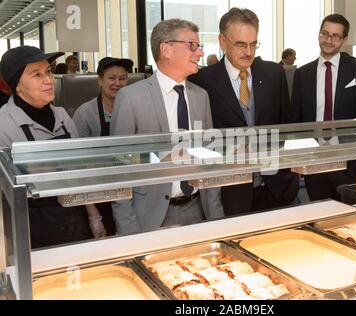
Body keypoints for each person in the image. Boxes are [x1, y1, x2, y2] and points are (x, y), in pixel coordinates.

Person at [110, 19, 224, 235]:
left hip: (199, 211)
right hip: (149, 219)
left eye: (199, 47)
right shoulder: (131, 98)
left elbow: (211, 160)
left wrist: (215, 216)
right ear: (166, 49)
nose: (199, 53)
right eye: (192, 45)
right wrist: (128, 229)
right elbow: (119, 170)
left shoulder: (201, 97)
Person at [190, 8, 299, 216]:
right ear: (222, 42)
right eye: (240, 44)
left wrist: (288, 176)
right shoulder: (202, 81)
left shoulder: (274, 74)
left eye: (253, 44)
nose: (248, 52)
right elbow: (200, 141)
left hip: (275, 187)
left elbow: (286, 126)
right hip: (229, 192)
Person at [0, 46, 105, 248]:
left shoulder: (62, 116)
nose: (48, 80)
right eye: (36, 75)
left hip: (75, 217)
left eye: (48, 71)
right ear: (17, 86)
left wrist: (94, 217)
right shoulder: (4, 125)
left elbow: (78, 174)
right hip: (31, 228)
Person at [291, 14, 356, 201]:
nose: (329, 40)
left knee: (350, 218)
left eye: (336, 36)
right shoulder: (302, 74)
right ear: (319, 34)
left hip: (349, 163)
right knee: (318, 214)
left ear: (344, 40)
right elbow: (296, 122)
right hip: (314, 161)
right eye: (325, 34)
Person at [73, 56, 134, 235]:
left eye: (122, 78)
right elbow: (78, 168)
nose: (117, 83)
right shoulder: (85, 114)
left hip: (129, 192)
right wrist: (93, 215)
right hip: (98, 196)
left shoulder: (134, 109)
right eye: (112, 78)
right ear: (100, 80)